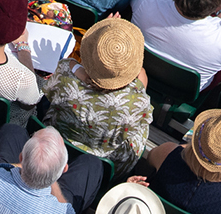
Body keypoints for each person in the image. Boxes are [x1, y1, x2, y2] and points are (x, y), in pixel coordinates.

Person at [43, 17, 152, 177]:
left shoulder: (66, 71)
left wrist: (102, 39)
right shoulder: (137, 101)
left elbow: (48, 91)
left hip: (57, 144)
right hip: (105, 163)